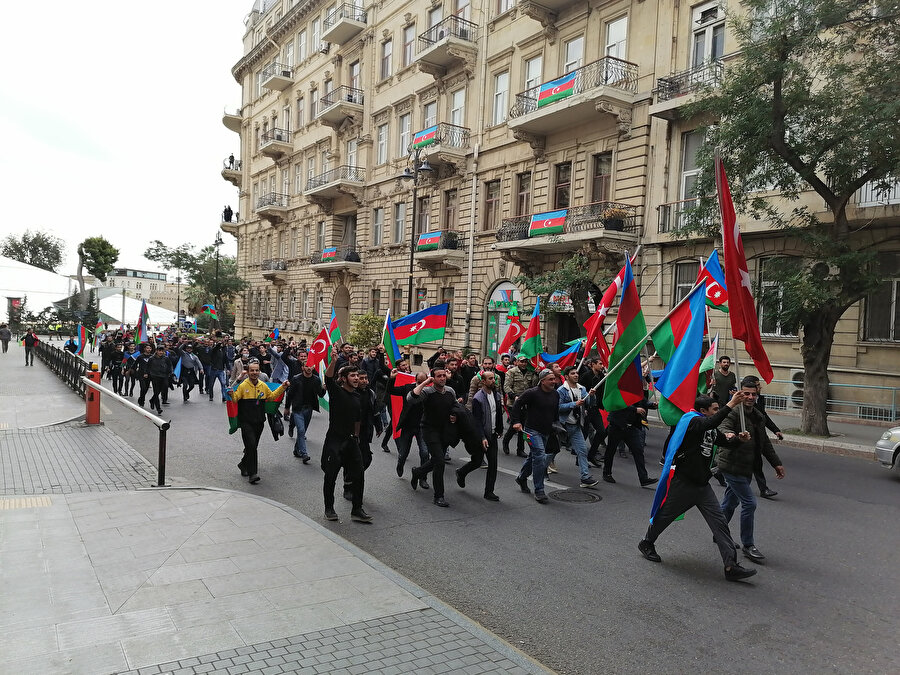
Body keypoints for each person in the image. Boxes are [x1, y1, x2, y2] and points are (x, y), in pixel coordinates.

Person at [638, 391, 758, 582]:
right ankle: (646, 542)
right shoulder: (692, 421)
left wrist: (738, 440)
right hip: (684, 483)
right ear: (703, 411)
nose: (717, 412)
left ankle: (731, 566)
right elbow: (709, 423)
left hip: (702, 485)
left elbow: (722, 441)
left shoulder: (709, 427)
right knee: (665, 516)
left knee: (720, 523)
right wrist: (731, 404)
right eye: (715, 409)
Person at [717, 377, 786, 564]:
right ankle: (748, 545)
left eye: (753, 394)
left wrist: (776, 463)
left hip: (747, 466)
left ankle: (719, 533)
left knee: (730, 503)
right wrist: (732, 436)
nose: (750, 397)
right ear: (740, 393)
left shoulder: (757, 415)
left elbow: (764, 442)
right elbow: (723, 427)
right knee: (749, 503)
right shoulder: (734, 412)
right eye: (746, 393)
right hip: (732, 465)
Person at [321, 346, 371, 523]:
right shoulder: (336, 392)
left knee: (359, 474)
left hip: (351, 441)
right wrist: (334, 361)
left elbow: (357, 418)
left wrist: (356, 436)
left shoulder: (356, 396)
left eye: (357, 375)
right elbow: (328, 378)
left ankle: (357, 509)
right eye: (352, 376)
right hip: (335, 441)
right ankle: (329, 508)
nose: (356, 378)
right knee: (331, 476)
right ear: (343, 379)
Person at [407, 366, 459, 507]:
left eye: (444, 375)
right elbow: (411, 399)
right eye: (438, 376)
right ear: (433, 378)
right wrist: (425, 382)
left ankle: (417, 472)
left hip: (444, 431)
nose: (442, 378)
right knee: (440, 462)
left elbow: (454, 406)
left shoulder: (450, 391)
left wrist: (454, 415)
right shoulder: (427, 392)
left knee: (436, 459)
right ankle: (439, 496)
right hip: (429, 430)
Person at [230, 361, 289, 485]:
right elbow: (235, 399)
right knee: (251, 446)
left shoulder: (263, 385)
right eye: (252, 370)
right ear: (248, 372)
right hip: (246, 422)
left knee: (252, 447)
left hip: (259, 422)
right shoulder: (243, 386)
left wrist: (282, 387)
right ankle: (253, 474)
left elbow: (271, 397)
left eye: (256, 370)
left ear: (259, 371)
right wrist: (231, 394)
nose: (254, 373)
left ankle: (243, 464)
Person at [511, 369, 561, 504]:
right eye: (550, 379)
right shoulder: (532, 393)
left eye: (554, 379)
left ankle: (521, 478)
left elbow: (555, 412)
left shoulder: (555, 394)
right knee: (540, 456)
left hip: (546, 431)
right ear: (542, 381)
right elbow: (517, 405)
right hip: (531, 431)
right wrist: (516, 421)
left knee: (534, 456)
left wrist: (556, 426)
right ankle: (539, 490)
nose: (553, 381)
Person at [461, 370, 503, 501]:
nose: (493, 381)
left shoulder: (496, 395)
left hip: (492, 434)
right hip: (481, 436)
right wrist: (483, 438)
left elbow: (498, 414)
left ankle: (489, 492)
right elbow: (477, 421)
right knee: (477, 461)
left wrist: (500, 429)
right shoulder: (478, 398)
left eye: (494, 378)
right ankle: (461, 472)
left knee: (493, 464)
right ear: (483, 381)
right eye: (490, 379)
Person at [602, 395, 658, 488]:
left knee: (638, 451)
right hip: (617, 425)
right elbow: (617, 403)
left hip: (631, 427)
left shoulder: (636, 391)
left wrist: (652, 405)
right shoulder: (618, 391)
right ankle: (607, 473)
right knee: (611, 450)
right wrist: (635, 409)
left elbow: (643, 401)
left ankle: (643, 478)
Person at [743, 375, 784, 499]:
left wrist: (775, 430)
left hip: (757, 436)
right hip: (743, 444)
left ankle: (763, 489)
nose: (759, 387)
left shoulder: (759, 400)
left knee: (757, 464)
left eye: (754, 393)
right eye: (757, 385)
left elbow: (764, 417)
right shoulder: (736, 409)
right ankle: (718, 470)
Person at [558, 366, 600, 489]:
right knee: (553, 451)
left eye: (576, 373)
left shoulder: (582, 389)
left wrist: (591, 396)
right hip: (563, 426)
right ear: (566, 376)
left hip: (576, 426)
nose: (576, 375)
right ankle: (543, 469)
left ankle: (585, 478)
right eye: (572, 373)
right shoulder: (562, 390)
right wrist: (573, 404)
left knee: (582, 451)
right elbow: (558, 407)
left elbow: (590, 404)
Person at [283, 360, 324, 463]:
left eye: (310, 366)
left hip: (308, 409)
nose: (308, 368)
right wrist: (287, 408)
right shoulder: (296, 379)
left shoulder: (316, 380)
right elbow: (290, 394)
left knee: (302, 431)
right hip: (298, 409)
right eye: (306, 366)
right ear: (302, 368)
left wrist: (324, 388)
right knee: (301, 430)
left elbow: (320, 394)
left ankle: (296, 450)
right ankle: (304, 453)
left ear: (313, 367)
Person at [391, 371, 429, 480]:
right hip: (408, 426)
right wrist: (392, 379)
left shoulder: (429, 392)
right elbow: (391, 390)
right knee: (403, 453)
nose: (421, 384)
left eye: (424, 382)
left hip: (422, 427)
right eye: (419, 382)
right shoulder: (408, 388)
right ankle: (400, 463)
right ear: (415, 380)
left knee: (425, 453)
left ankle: (423, 478)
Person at [502, 355, 536, 456]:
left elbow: (534, 385)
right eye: (522, 361)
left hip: (526, 403)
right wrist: (514, 396)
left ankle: (520, 449)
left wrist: (536, 373)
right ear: (517, 362)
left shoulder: (530, 372)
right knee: (515, 425)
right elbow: (506, 386)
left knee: (523, 426)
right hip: (514, 403)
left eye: (525, 362)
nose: (524, 364)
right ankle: (506, 441)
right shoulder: (511, 372)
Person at [147, 345, 173, 415]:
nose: (161, 352)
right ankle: (158, 408)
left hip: (164, 376)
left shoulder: (166, 358)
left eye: (162, 351)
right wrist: (147, 374)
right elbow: (148, 367)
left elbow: (170, 366)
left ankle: (152, 400)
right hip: (155, 377)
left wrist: (170, 373)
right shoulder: (151, 358)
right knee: (156, 392)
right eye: (159, 351)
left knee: (161, 390)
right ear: (156, 351)